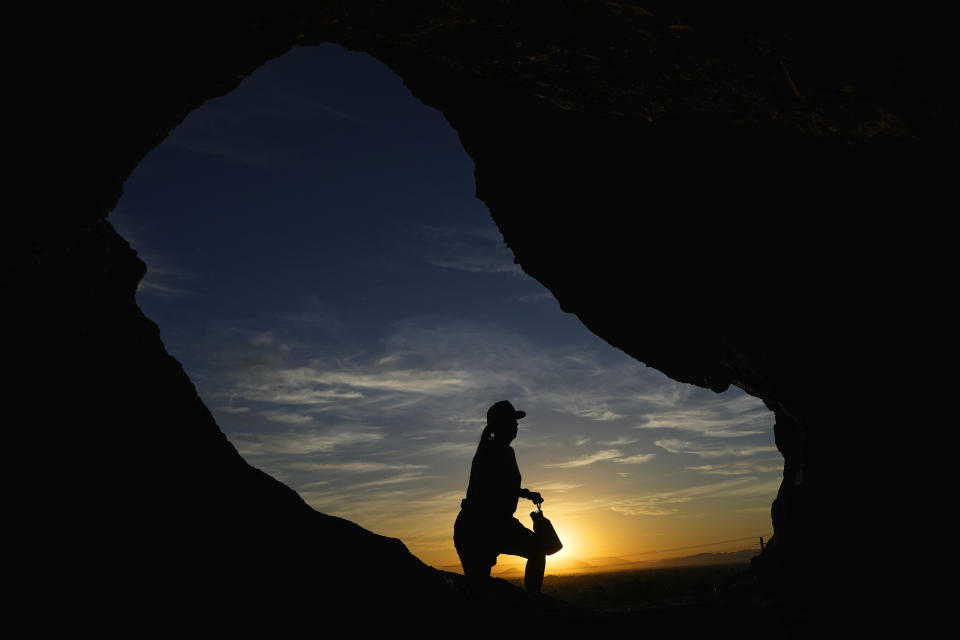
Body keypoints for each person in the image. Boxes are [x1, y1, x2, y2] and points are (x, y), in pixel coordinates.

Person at [453, 400, 546, 592]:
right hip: (483, 526)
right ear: (501, 425)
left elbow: (499, 486)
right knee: (537, 551)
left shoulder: (496, 450)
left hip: (478, 527)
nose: (516, 425)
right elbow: (495, 489)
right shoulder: (497, 451)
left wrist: (526, 494)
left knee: (479, 588)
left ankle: (533, 603)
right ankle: (534, 602)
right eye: (512, 421)